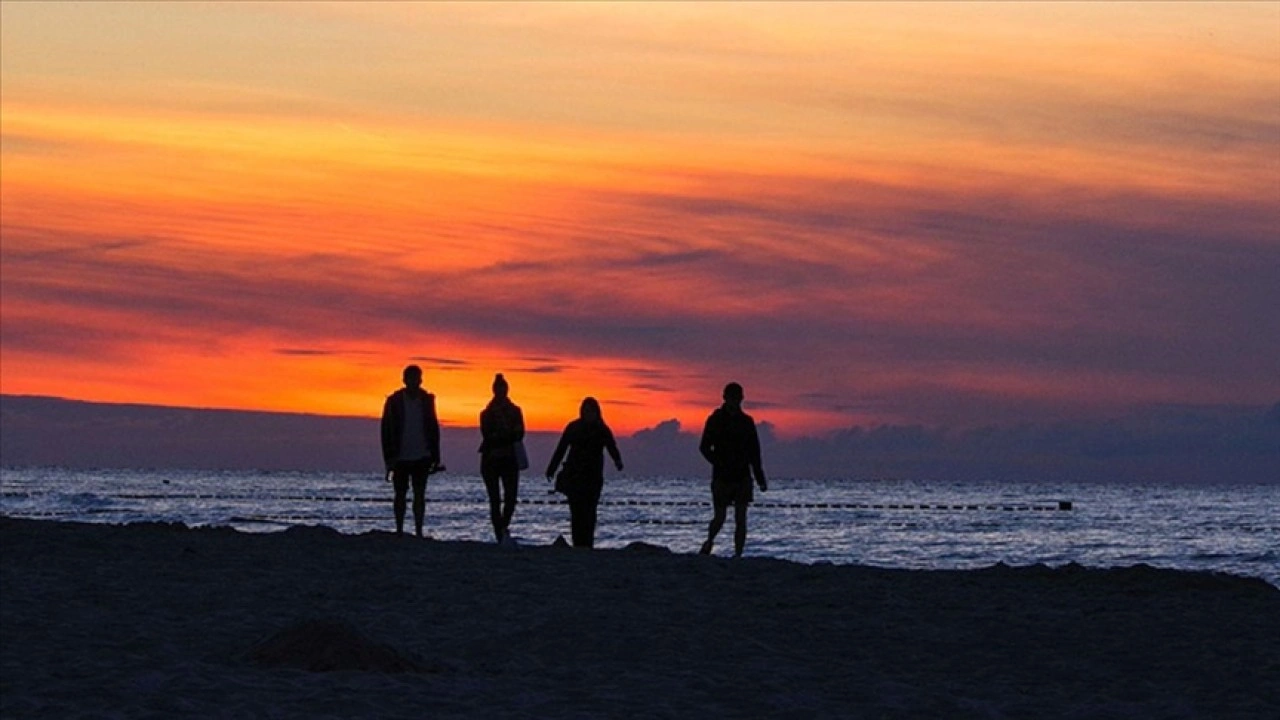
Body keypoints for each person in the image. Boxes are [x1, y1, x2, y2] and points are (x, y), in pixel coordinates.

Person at [699, 382, 767, 557]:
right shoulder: (715, 420)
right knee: (720, 518)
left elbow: (754, 451)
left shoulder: (747, 422)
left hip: (742, 476)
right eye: (732, 398)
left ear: (741, 399)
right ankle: (709, 541)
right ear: (725, 398)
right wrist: (718, 462)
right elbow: (704, 447)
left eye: (737, 398)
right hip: (722, 476)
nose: (735, 401)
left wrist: (760, 478)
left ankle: (738, 555)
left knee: (741, 518)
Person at [545, 397, 623, 548]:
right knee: (576, 512)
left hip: (593, 477)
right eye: (585, 411)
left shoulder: (602, 429)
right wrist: (552, 468)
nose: (588, 414)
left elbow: (611, 446)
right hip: (575, 476)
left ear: (596, 412)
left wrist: (617, 461)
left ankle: (588, 543)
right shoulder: (573, 427)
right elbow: (562, 448)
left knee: (590, 511)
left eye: (590, 411)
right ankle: (577, 544)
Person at [380, 364, 442, 537]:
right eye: (410, 378)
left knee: (419, 494)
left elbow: (433, 428)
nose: (414, 382)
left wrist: (436, 455)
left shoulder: (427, 400)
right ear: (405, 380)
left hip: (422, 455)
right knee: (400, 493)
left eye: (416, 378)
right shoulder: (394, 401)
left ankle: (418, 531)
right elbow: (386, 430)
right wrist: (389, 458)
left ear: (420, 380)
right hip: (400, 456)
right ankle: (399, 529)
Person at [478, 373, 525, 544]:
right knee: (495, 500)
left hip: (509, 460)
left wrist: (504, 435)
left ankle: (503, 528)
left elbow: (520, 434)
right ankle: (500, 535)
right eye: (498, 389)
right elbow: (488, 435)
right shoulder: (486, 413)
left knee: (511, 499)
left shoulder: (515, 411)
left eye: (503, 388)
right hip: (491, 460)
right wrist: (507, 435)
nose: (501, 392)